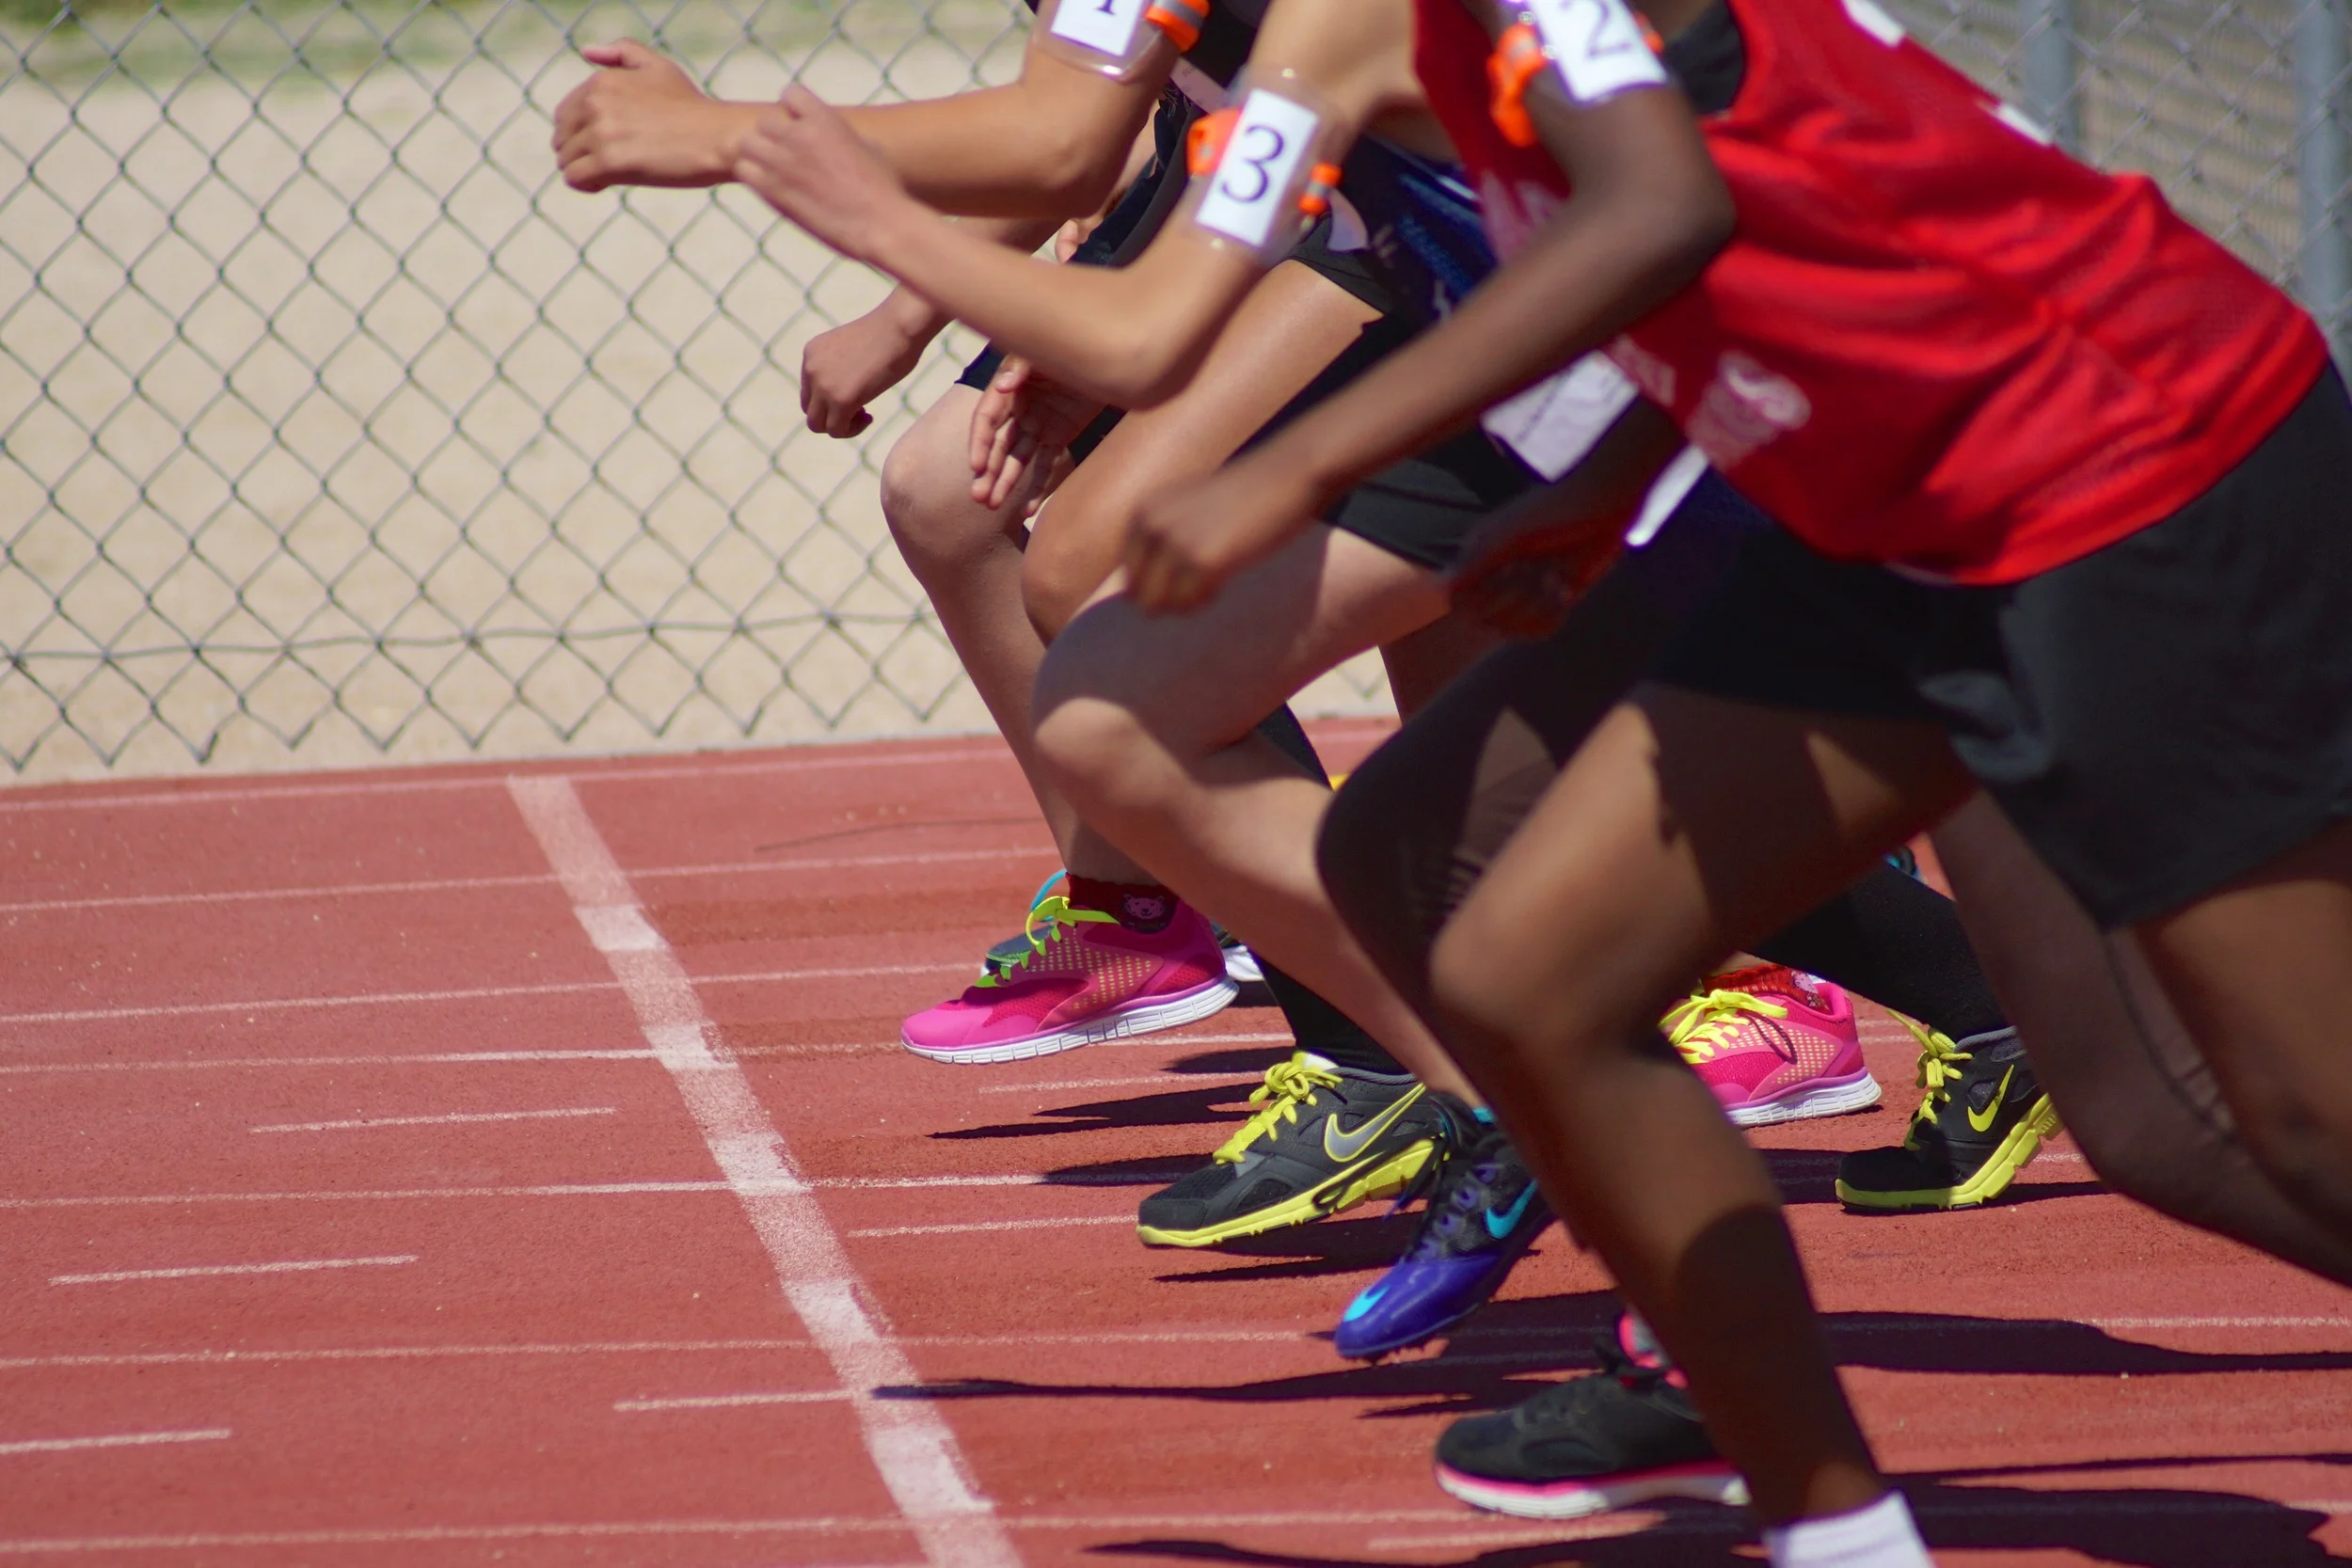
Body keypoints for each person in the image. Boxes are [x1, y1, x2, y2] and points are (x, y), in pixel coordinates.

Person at [1115, 0, 2352, 1560]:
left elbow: (1663, 203)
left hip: (2133, 466)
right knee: (1504, 947)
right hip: (1888, 493)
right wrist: (1603, 484)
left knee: (2270, 1119)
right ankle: (1826, 1520)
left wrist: (1292, 468)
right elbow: (1757, 235)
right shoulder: (1416, 31)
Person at [733, 0, 2057, 1352]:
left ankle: (1467, 1068)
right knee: (1417, 809)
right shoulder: (1338, 66)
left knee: (1156, 625)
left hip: (1558, 301)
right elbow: (1117, 135)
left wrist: (736, 149)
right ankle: (1603, 1141)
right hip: (1414, 242)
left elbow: (1070, 142)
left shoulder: (1406, 45)